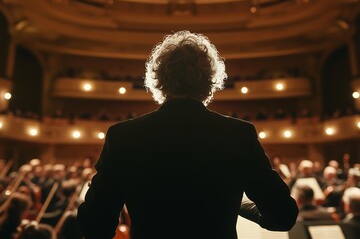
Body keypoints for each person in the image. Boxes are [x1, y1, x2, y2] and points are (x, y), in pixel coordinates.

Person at [77, 30, 298, 239]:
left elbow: (94, 228)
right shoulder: (238, 135)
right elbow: (282, 216)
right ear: (211, 81)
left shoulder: (122, 136)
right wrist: (239, 204)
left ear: (158, 80)